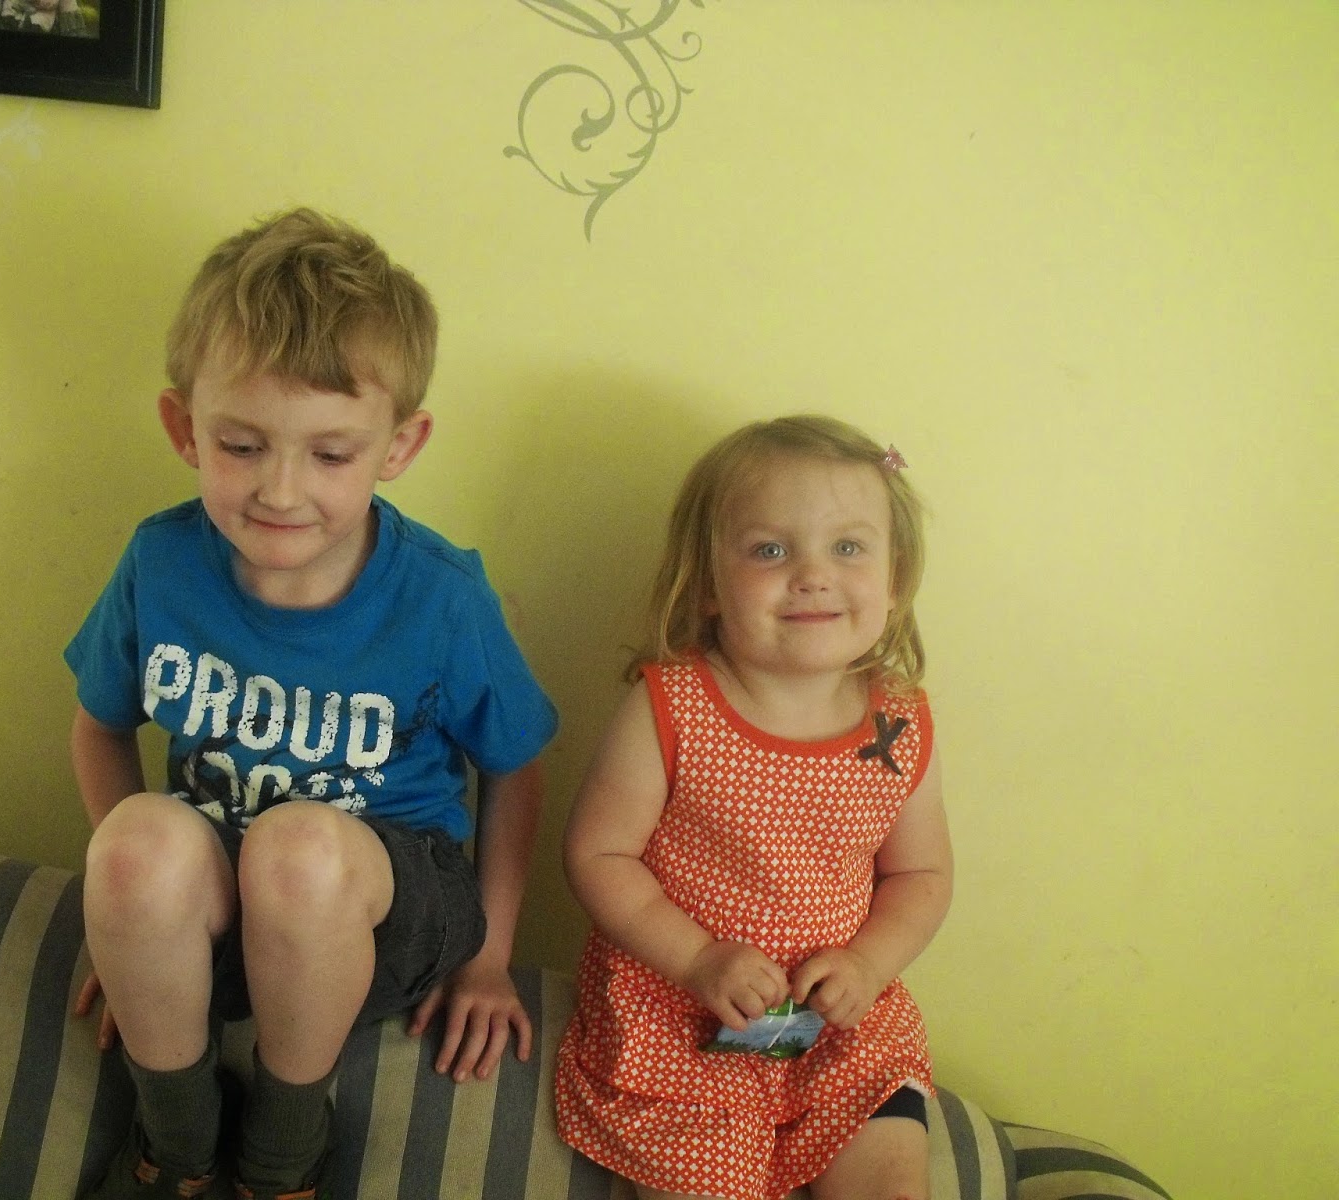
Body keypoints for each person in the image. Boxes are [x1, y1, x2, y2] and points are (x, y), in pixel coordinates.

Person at [65, 207, 557, 1200]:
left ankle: (286, 1150)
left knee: (298, 848)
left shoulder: (440, 596)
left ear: (398, 447)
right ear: (184, 429)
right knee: (133, 844)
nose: (281, 491)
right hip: (229, 901)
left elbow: (516, 765)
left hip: (386, 907)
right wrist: (134, 929)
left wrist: (491, 956)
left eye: (330, 455)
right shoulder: (160, 562)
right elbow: (99, 726)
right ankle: (176, 1143)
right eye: (242, 445)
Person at [554, 416, 953, 1200]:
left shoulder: (901, 721)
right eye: (770, 550)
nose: (812, 575)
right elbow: (598, 855)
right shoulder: (671, 706)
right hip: (680, 1019)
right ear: (707, 584)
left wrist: (870, 964)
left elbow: (922, 875)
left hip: (839, 1023)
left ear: (895, 578)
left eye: (849, 547)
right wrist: (698, 959)